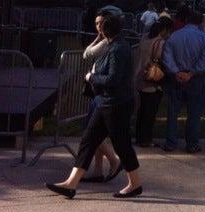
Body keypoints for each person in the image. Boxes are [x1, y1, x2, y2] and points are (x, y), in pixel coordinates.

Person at [46, 15, 142, 199]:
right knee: (89, 140)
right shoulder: (115, 45)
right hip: (107, 102)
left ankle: (135, 183)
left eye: (101, 27)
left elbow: (113, 79)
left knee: (122, 145)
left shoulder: (117, 49)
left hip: (116, 104)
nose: (99, 30)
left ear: (106, 31)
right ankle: (71, 183)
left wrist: (92, 77)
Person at [161, 11, 205, 153]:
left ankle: (171, 142)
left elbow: (167, 57)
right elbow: (204, 61)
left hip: (175, 78)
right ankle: (192, 143)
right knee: (194, 113)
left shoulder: (173, 36)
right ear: (200, 22)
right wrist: (191, 73)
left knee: (173, 112)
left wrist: (176, 71)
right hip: (195, 79)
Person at [79, 9, 120, 182]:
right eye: (96, 24)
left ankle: (114, 160)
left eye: (102, 24)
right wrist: (98, 37)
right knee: (95, 132)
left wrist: (99, 38)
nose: (99, 27)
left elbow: (87, 54)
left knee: (92, 132)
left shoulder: (108, 44)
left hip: (103, 92)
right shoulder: (104, 41)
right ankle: (97, 169)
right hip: (97, 91)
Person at [133, 17, 173, 147]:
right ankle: (146, 139)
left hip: (140, 78)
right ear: (165, 30)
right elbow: (163, 60)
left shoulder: (144, 39)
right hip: (152, 82)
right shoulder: (160, 43)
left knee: (142, 111)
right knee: (150, 112)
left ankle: (139, 137)